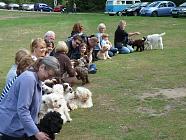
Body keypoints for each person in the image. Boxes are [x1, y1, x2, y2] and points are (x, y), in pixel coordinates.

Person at [0, 56, 60, 140]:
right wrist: (36, 132)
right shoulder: (29, 79)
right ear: (42, 67)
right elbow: (23, 109)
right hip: (12, 129)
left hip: (20, 128)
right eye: (49, 75)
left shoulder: (36, 78)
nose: (49, 78)